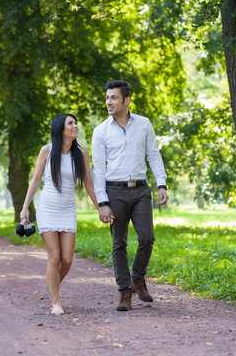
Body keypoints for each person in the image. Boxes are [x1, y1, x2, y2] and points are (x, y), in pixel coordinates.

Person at [91, 80, 169, 311]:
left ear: (126, 100)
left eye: (113, 98)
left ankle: (138, 278)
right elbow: (98, 169)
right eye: (107, 98)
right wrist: (102, 202)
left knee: (147, 237)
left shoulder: (144, 124)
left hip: (141, 189)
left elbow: (153, 155)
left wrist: (161, 184)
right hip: (114, 191)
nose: (108, 102)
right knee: (119, 243)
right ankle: (125, 291)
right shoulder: (100, 131)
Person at [20, 113, 99, 315]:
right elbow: (36, 180)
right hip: (47, 207)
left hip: (67, 209)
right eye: (70, 123)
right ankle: (56, 302)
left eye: (75, 123)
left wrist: (101, 208)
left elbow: (89, 185)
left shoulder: (81, 153)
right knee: (54, 258)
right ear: (61, 128)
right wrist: (25, 207)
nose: (75, 126)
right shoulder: (47, 150)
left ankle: (52, 284)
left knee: (68, 259)